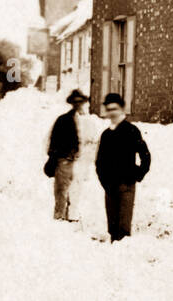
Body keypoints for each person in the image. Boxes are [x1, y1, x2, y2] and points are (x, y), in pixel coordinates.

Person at [95, 92, 151, 242]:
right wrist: (104, 182)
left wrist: (138, 174)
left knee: (123, 229)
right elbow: (99, 162)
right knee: (112, 228)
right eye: (109, 109)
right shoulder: (106, 135)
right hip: (110, 187)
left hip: (126, 186)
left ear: (121, 109)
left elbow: (145, 155)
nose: (112, 112)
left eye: (115, 108)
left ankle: (124, 259)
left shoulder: (131, 131)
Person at [45, 88, 91, 221]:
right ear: (71, 103)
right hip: (65, 161)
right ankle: (59, 218)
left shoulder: (88, 121)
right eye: (75, 102)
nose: (78, 104)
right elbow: (53, 142)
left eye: (80, 102)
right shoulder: (63, 120)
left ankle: (73, 217)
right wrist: (59, 156)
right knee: (62, 190)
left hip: (82, 162)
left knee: (77, 190)